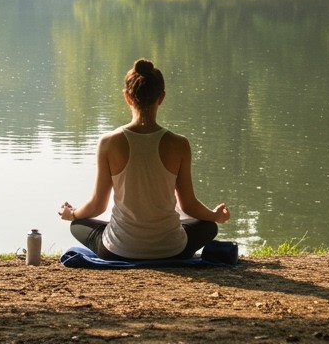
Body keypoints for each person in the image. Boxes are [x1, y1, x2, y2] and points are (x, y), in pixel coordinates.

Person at [59, 59, 231, 260]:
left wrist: (72, 213)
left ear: (127, 97)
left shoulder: (108, 143)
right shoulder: (179, 144)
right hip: (172, 249)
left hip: (119, 250)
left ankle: (116, 240)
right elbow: (189, 206)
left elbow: (98, 206)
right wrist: (215, 216)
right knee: (208, 227)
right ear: (162, 97)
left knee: (77, 225)